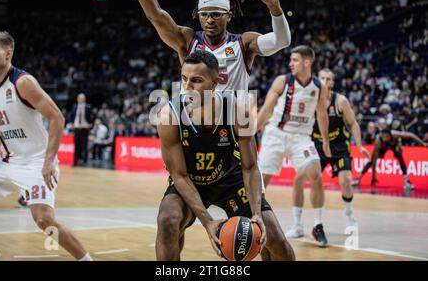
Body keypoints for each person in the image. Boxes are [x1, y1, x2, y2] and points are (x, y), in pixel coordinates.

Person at [156, 50, 295, 261]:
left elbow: (249, 168)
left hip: (231, 180)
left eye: (196, 80)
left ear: (214, 83)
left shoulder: (239, 113)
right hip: (192, 182)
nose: (187, 87)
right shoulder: (168, 116)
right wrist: (207, 221)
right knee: (168, 220)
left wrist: (256, 213)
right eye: (184, 79)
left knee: (275, 239)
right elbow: (179, 175)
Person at [0, 31, 92, 261]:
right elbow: (0, 121)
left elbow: (57, 117)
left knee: (44, 220)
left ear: (8, 53)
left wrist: (49, 160)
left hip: (35, 162)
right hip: (7, 162)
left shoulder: (23, 82)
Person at [124, 0, 291, 92]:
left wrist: (274, 8)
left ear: (229, 16)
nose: (210, 20)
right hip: (193, 123)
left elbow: (281, 41)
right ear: (198, 15)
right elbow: (156, 16)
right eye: (204, 14)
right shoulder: (187, 39)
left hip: (230, 126)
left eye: (216, 14)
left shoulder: (244, 43)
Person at [256, 45, 331, 247]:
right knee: (261, 181)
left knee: (315, 172)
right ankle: (252, 219)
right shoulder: (283, 81)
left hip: (302, 139)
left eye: (295, 60)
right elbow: (267, 107)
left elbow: (322, 115)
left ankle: (317, 226)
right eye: (291, 60)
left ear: (307, 62)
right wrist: (254, 130)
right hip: (276, 134)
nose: (291, 63)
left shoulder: (319, 86)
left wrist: (324, 140)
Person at [312, 68, 370, 232]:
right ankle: (313, 223)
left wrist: (359, 146)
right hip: (318, 146)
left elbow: (353, 124)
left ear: (332, 83)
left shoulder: (340, 101)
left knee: (345, 181)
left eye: (327, 78)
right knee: (311, 180)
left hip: (339, 146)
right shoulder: (311, 99)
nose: (323, 81)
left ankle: (350, 218)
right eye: (321, 77)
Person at [352, 126, 427, 189]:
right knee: (371, 161)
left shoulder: (395, 134)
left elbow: (410, 135)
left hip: (394, 145)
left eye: (386, 136)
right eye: (383, 136)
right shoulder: (378, 142)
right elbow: (374, 162)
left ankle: (407, 181)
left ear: (390, 135)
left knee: (399, 156)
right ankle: (358, 179)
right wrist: (373, 177)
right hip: (383, 147)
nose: (384, 138)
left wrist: (422, 143)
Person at [69, 93, 94, 166]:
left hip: (85, 128)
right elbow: (71, 115)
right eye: (79, 98)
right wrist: (72, 123)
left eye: (82, 98)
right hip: (77, 128)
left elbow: (93, 117)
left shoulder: (88, 107)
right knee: (77, 145)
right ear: (77, 99)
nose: (81, 99)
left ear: (84, 99)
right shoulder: (74, 106)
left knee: (84, 146)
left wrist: (90, 126)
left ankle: (84, 161)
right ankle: (75, 161)